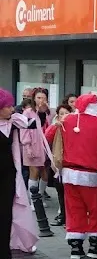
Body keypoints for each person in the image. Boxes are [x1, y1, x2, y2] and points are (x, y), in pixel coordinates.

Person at [58, 94, 97, 259]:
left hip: (69, 174)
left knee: (74, 210)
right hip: (95, 174)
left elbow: (49, 136)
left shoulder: (67, 120)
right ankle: (95, 246)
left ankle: (75, 247)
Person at [0, 89, 39, 259]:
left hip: (8, 176)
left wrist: (40, 110)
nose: (11, 109)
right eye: (7, 106)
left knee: (6, 214)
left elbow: (33, 123)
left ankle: (4, 255)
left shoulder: (13, 123)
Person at [19, 100, 53, 238]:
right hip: (33, 147)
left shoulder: (48, 112)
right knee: (34, 171)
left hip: (46, 146)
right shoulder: (28, 113)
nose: (41, 100)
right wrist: (27, 147)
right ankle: (34, 200)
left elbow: (49, 127)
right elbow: (26, 131)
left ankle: (40, 196)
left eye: (43, 97)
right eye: (38, 97)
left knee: (45, 173)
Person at [46, 104, 70, 226]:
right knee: (60, 191)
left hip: (70, 164)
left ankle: (69, 218)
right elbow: (47, 137)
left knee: (69, 194)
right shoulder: (56, 126)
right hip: (58, 164)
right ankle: (62, 215)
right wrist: (55, 126)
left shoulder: (74, 127)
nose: (64, 116)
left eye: (66, 113)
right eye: (61, 114)